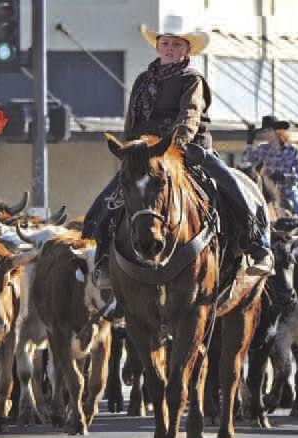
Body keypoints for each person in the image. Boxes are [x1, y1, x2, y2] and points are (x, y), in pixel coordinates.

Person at [82, 15, 272, 279]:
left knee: (232, 186)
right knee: (108, 199)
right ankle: (103, 257)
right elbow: (133, 121)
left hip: (189, 148)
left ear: (187, 50)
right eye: (165, 43)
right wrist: (132, 150)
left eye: (176, 44)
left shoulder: (192, 79)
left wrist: (175, 144)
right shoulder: (142, 80)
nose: (170, 48)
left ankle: (260, 247)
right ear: (158, 47)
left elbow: (190, 114)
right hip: (146, 151)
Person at [242, 115, 298, 219]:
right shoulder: (263, 148)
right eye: (264, 131)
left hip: (289, 192)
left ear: (278, 132)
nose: (266, 134)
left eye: (269, 131)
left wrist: (284, 176)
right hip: (268, 194)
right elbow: (247, 160)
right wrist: (250, 142)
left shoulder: (292, 150)